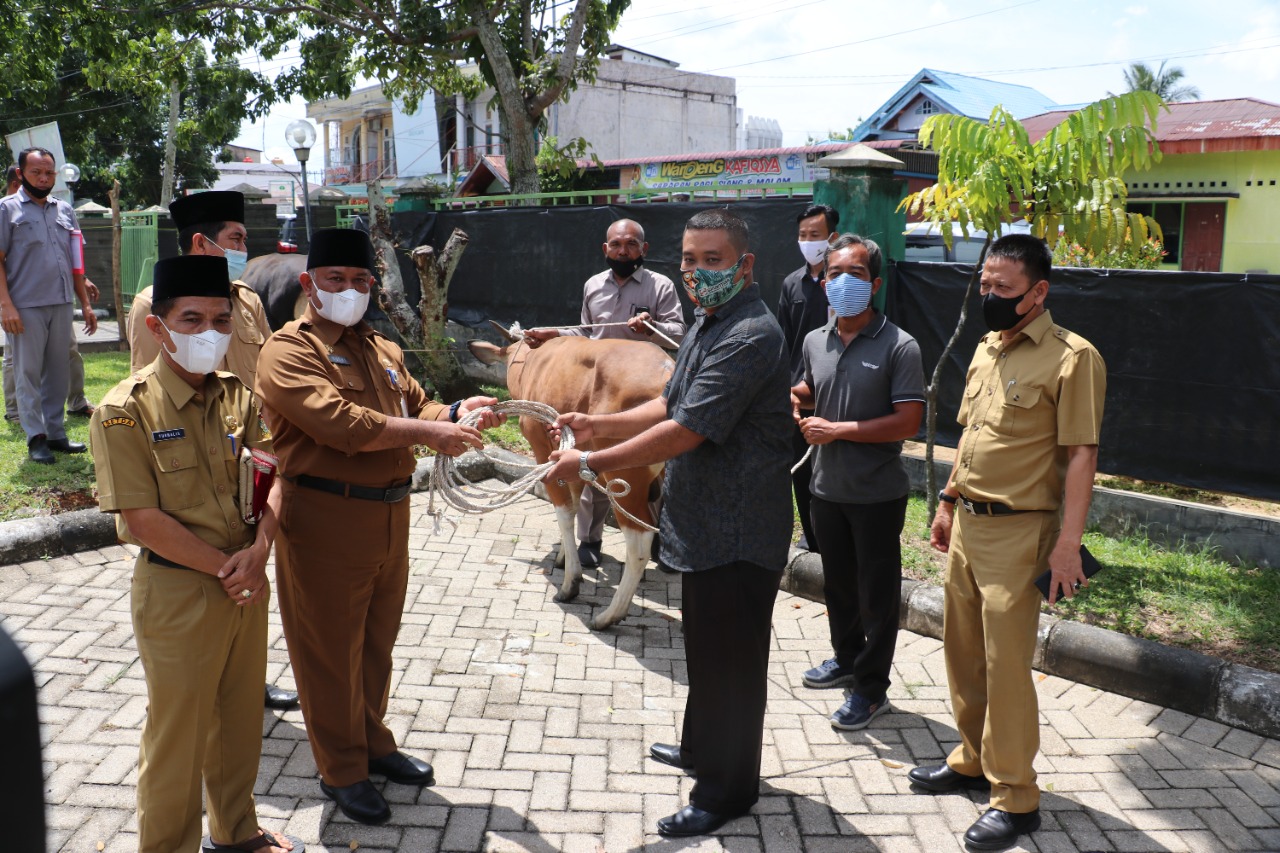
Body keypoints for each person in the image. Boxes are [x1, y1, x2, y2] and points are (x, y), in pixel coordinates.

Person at [543, 210, 792, 839]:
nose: (696, 272)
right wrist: (600, 424)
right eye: (688, 260)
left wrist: (589, 459)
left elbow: (687, 429)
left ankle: (726, 789)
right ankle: (703, 749)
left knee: (733, 660)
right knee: (706, 650)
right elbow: (670, 400)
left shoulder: (750, 334)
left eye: (712, 260)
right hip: (703, 522)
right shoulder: (714, 321)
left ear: (744, 265)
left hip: (738, 528)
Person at [255, 227, 502, 826]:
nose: (348, 290)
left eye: (359, 281)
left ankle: (373, 743)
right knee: (329, 653)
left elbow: (417, 404)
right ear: (309, 284)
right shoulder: (288, 351)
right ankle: (341, 768)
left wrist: (457, 413)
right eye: (334, 280)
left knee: (374, 645)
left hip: (389, 515)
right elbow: (341, 424)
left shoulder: (381, 348)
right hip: (325, 517)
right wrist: (430, 433)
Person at [89, 254, 302, 853]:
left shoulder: (239, 396)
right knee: (176, 741)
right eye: (191, 319)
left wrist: (260, 550)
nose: (209, 333)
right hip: (181, 591)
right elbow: (141, 518)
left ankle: (236, 834)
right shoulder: (125, 410)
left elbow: (274, 476)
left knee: (239, 726)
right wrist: (227, 568)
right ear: (158, 328)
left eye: (220, 320)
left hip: (245, 581)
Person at [909, 234, 1106, 851]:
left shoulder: (1074, 358)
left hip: (1023, 533)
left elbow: (1081, 457)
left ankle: (1016, 797)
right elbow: (970, 438)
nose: (989, 297)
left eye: (1003, 288)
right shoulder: (988, 347)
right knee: (962, 652)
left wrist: (1068, 545)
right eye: (984, 285)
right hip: (968, 523)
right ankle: (971, 760)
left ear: (1038, 292)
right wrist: (946, 503)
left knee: (1006, 667)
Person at [129, 191, 297, 710]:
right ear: (202, 242)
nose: (246, 249)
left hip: (249, 451)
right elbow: (145, 389)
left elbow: (267, 367)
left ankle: (247, 672)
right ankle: (194, 675)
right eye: (237, 239)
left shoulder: (244, 299)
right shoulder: (151, 305)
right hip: (189, 458)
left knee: (251, 560)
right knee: (202, 569)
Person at [789, 235, 925, 725]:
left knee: (877, 597)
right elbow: (814, 384)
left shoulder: (899, 346)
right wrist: (793, 396)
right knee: (839, 587)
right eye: (835, 274)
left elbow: (908, 422)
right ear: (823, 283)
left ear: (876, 284)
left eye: (857, 274)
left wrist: (837, 429)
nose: (845, 282)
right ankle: (847, 660)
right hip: (825, 490)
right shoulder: (815, 339)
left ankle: (872, 688)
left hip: (876, 495)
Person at [525, 218, 686, 568]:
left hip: (643, 391)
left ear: (644, 249)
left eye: (630, 244)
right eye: (616, 244)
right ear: (605, 249)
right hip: (597, 388)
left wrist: (652, 327)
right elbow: (586, 332)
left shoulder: (660, 286)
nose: (622, 250)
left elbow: (678, 332)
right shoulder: (594, 285)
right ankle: (590, 541)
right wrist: (555, 333)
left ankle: (657, 539)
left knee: (652, 466)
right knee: (592, 464)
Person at [0, 148, 97, 463]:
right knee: (27, 373)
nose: (43, 178)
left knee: (58, 372)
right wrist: (6, 306)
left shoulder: (65, 210)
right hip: (25, 305)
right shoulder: (6, 209)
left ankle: (56, 434)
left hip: (61, 302)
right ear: (21, 174)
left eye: (49, 173)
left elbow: (76, 262)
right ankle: (36, 437)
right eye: (36, 172)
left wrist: (85, 303)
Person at [776, 203, 839, 553]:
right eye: (803, 235)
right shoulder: (791, 284)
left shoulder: (845, 284)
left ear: (832, 237)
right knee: (800, 468)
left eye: (815, 235)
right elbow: (784, 341)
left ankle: (831, 537)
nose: (808, 242)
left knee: (830, 468)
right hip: (799, 394)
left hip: (835, 392)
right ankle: (811, 537)